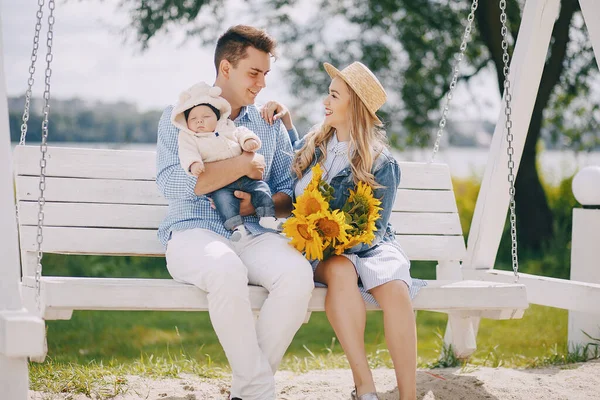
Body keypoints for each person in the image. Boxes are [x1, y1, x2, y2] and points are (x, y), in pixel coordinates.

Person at [155, 25, 314, 400]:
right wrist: (243, 165)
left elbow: (288, 194)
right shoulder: (180, 118)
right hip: (192, 232)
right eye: (253, 73)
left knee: (297, 277)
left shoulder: (266, 124)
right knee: (226, 269)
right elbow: (175, 184)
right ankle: (259, 391)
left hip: (253, 232)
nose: (261, 84)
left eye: (265, 74)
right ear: (226, 68)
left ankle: (247, 390)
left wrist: (256, 203)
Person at [261, 62, 425, 400]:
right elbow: (294, 183)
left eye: (334, 95)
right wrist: (288, 124)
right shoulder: (314, 144)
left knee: (395, 287)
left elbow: (375, 231)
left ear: (355, 106)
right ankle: (365, 386)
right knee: (340, 268)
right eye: (329, 93)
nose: (326, 101)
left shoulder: (381, 162)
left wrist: (337, 239)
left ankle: (409, 394)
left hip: (368, 245)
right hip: (319, 249)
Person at [171, 81, 283, 241]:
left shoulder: (226, 127)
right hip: (221, 184)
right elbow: (187, 152)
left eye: (205, 116)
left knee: (262, 188)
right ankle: (237, 228)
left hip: (246, 179)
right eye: (193, 118)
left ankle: (267, 217)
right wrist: (194, 163)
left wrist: (249, 141)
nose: (199, 121)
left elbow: (241, 132)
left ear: (217, 118)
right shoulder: (190, 137)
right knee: (223, 201)